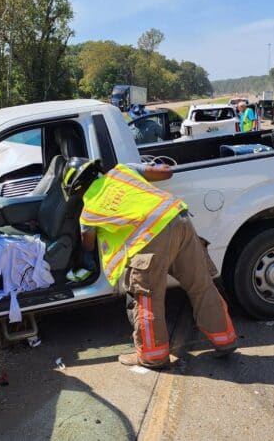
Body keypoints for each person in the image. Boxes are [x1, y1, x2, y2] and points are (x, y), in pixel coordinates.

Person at [62, 158, 237, 368]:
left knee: (148, 299)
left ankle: (153, 356)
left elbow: (88, 245)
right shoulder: (123, 171)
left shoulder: (88, 213)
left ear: (77, 190)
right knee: (201, 285)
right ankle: (225, 341)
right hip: (178, 218)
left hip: (152, 239)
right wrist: (148, 163)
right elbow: (165, 172)